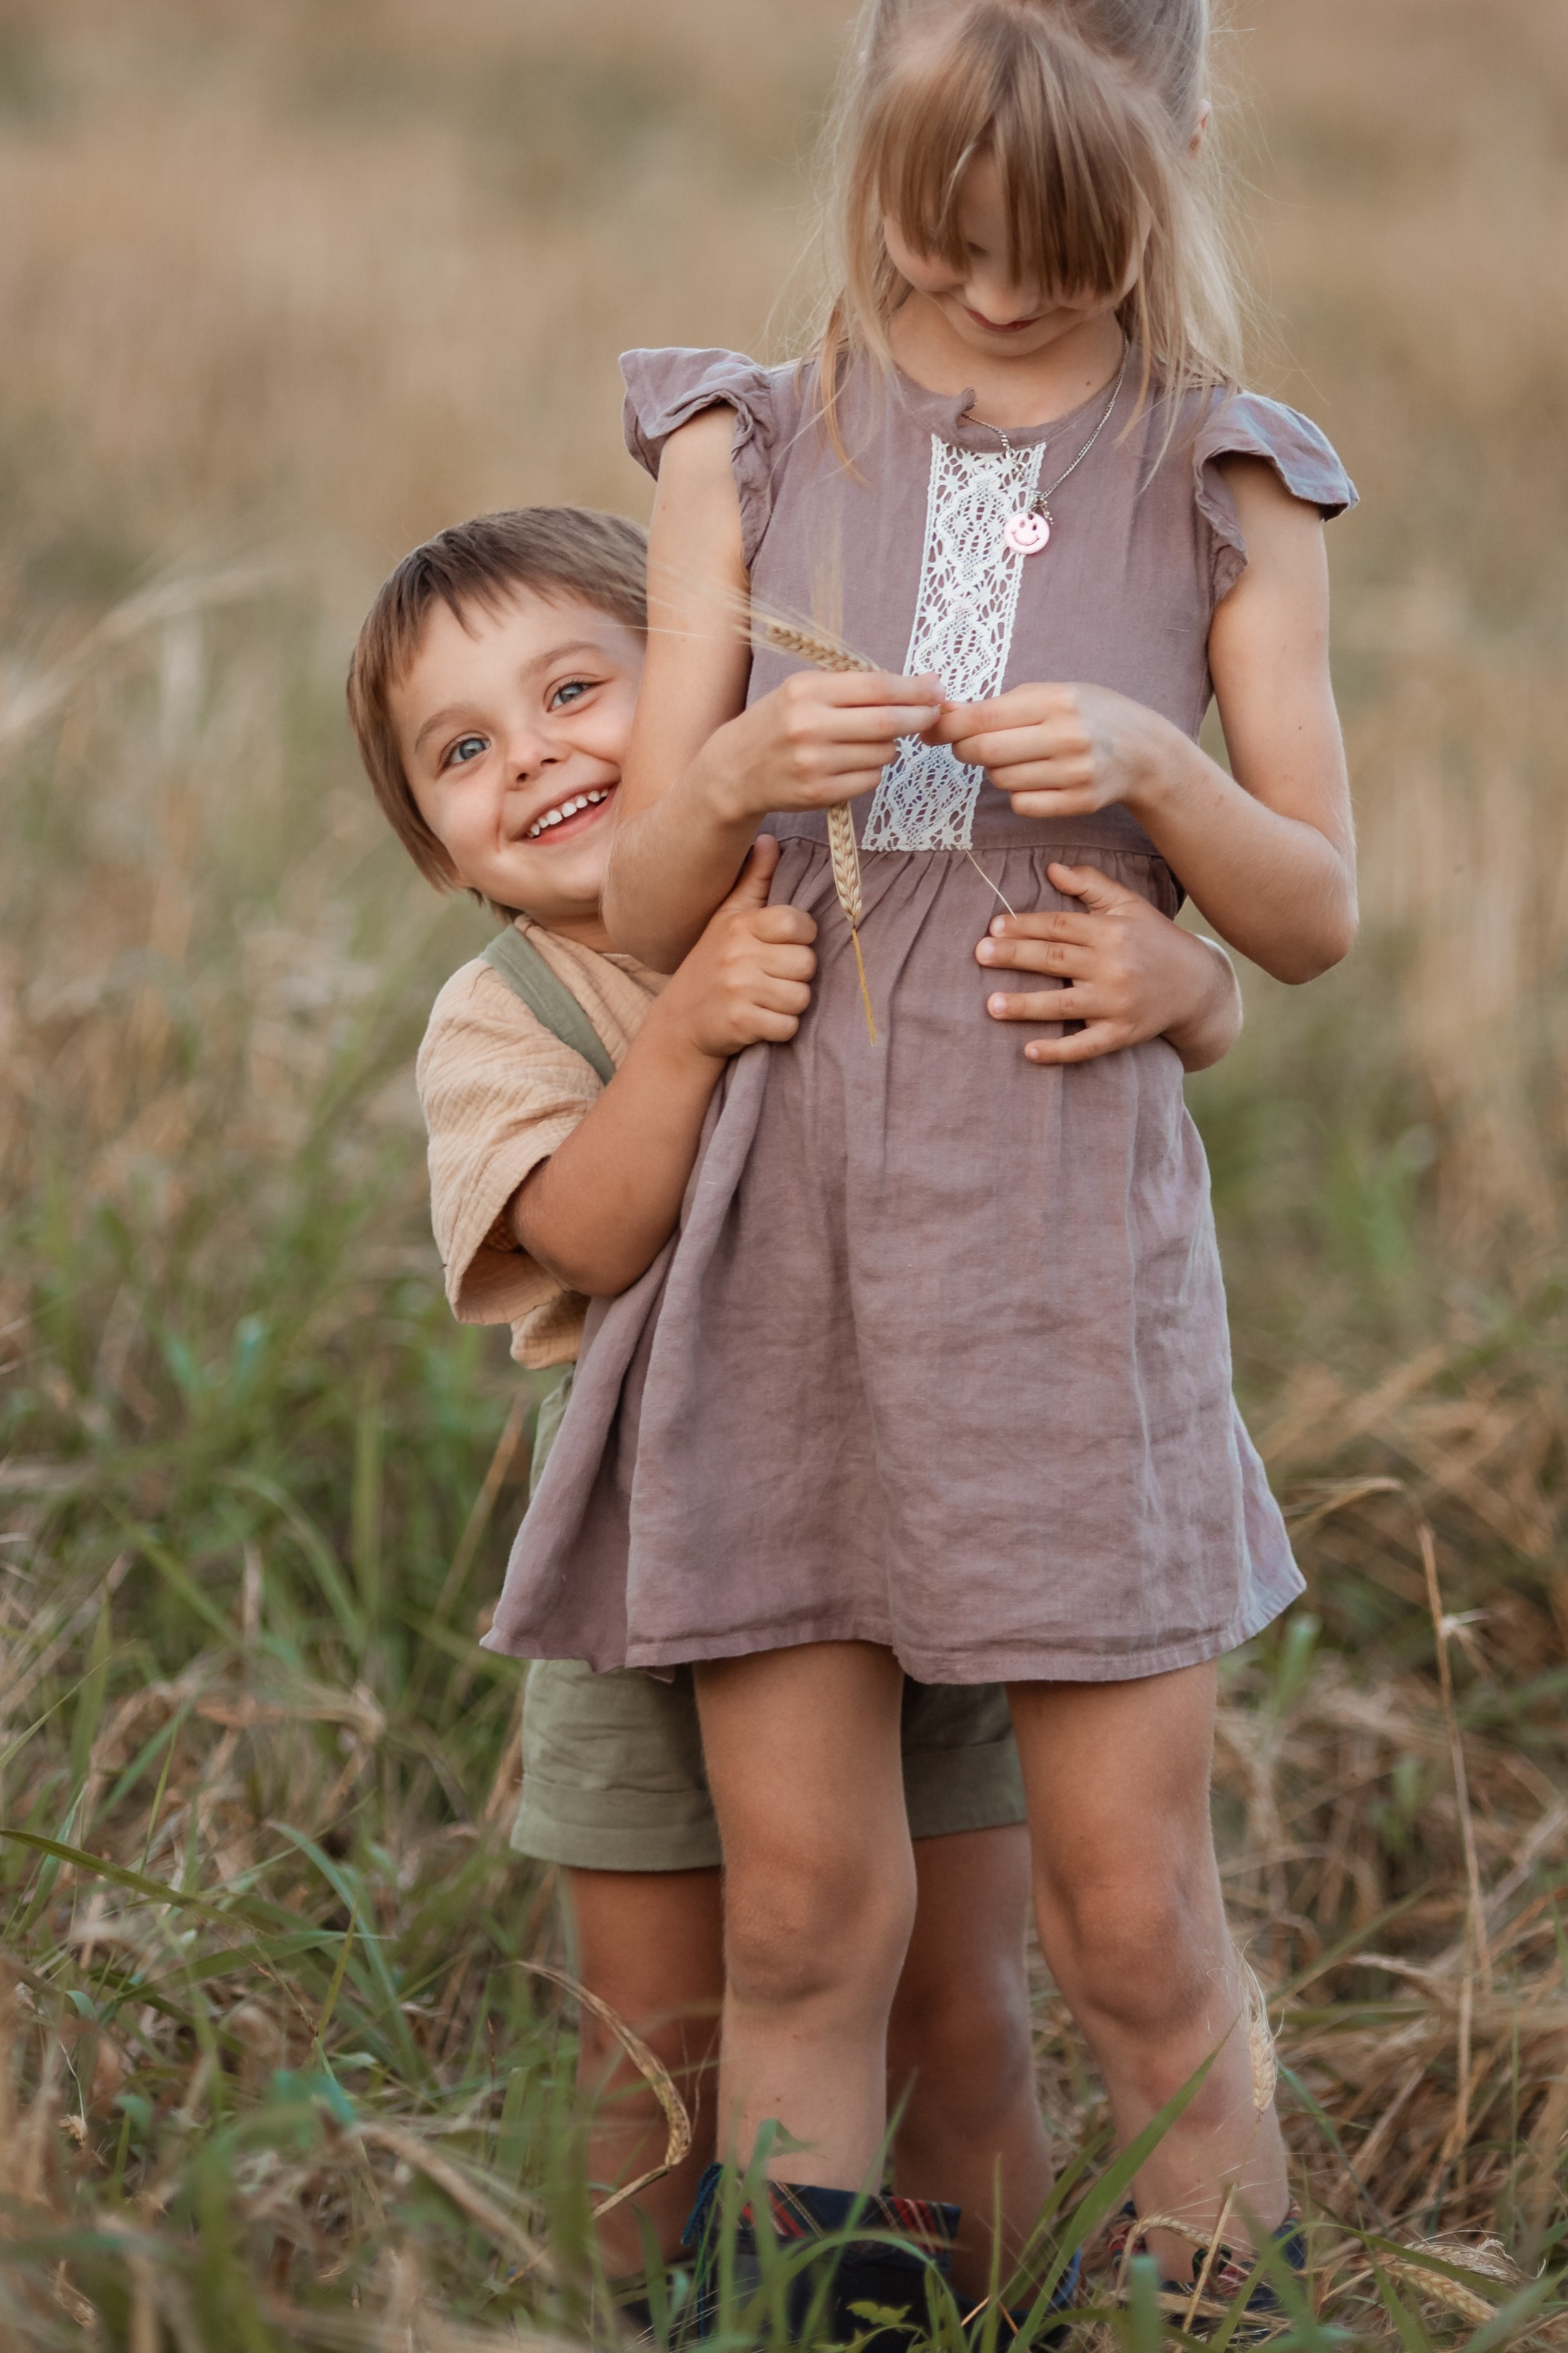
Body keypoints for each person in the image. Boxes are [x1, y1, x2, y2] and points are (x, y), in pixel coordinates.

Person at [486, 0, 1358, 2331]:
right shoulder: (740, 446)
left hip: (1059, 1263)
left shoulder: (1222, 476)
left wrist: (1162, 781)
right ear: (862, 157)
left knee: (1126, 1918)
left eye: (1053, 254)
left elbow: (1310, 908)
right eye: (932, 238)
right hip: (782, 1253)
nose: (985, 294)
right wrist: (743, 753)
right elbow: (653, 892)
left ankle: (1217, 2307)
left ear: (1164, 166)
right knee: (802, 1919)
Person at [346, 504, 1246, 2324]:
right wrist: (683, 1040)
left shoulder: (859, 884)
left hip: (943, 1534)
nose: (532, 759)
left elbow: (1094, 1023)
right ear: (433, 846)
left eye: (577, 690)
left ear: (712, 689)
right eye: (462, 750)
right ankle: (667, 2306)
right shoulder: (505, 1010)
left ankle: (982, 2302)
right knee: (673, 2027)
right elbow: (579, 1236)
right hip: (646, 1581)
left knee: (950, 2005)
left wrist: (1197, 989)